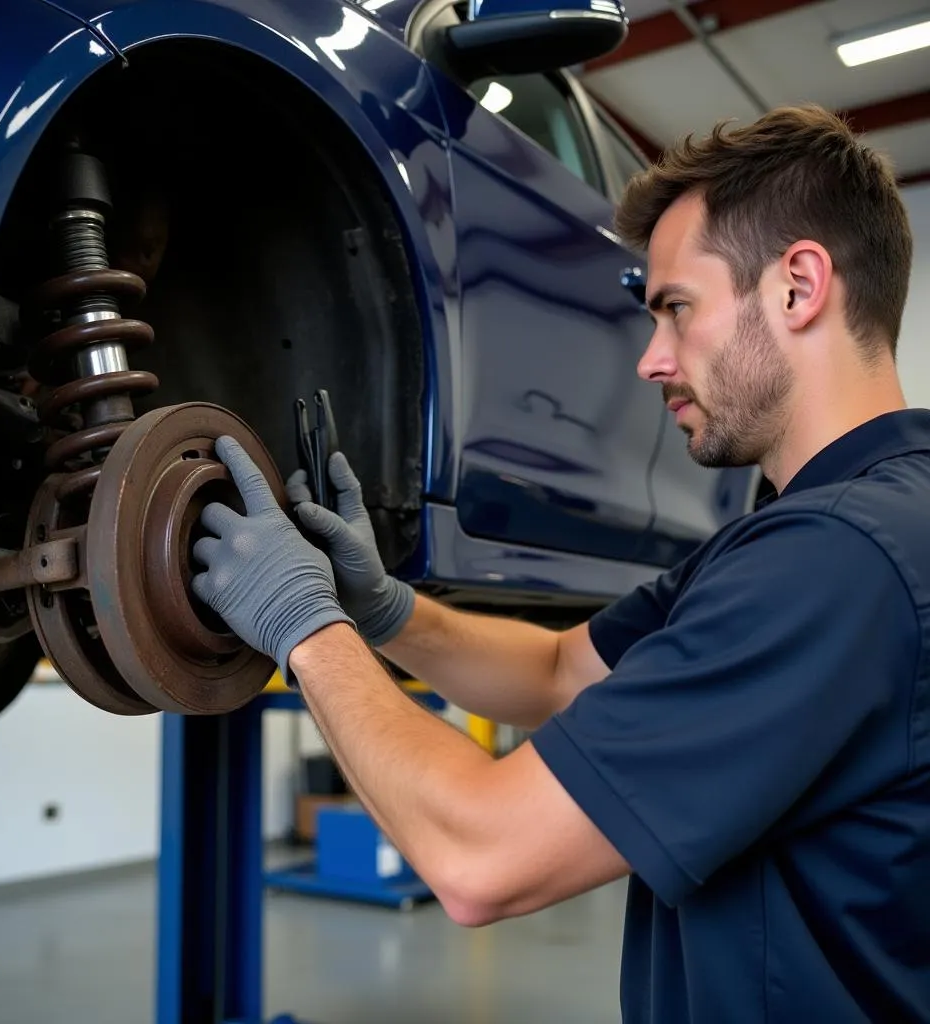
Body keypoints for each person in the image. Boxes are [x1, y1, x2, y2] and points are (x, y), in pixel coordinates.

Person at [190, 104, 930, 1023]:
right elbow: (554, 673)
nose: (652, 361)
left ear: (798, 286)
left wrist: (306, 626)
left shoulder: (838, 562)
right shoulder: (830, 532)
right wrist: (382, 613)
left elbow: (479, 861)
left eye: (676, 310)